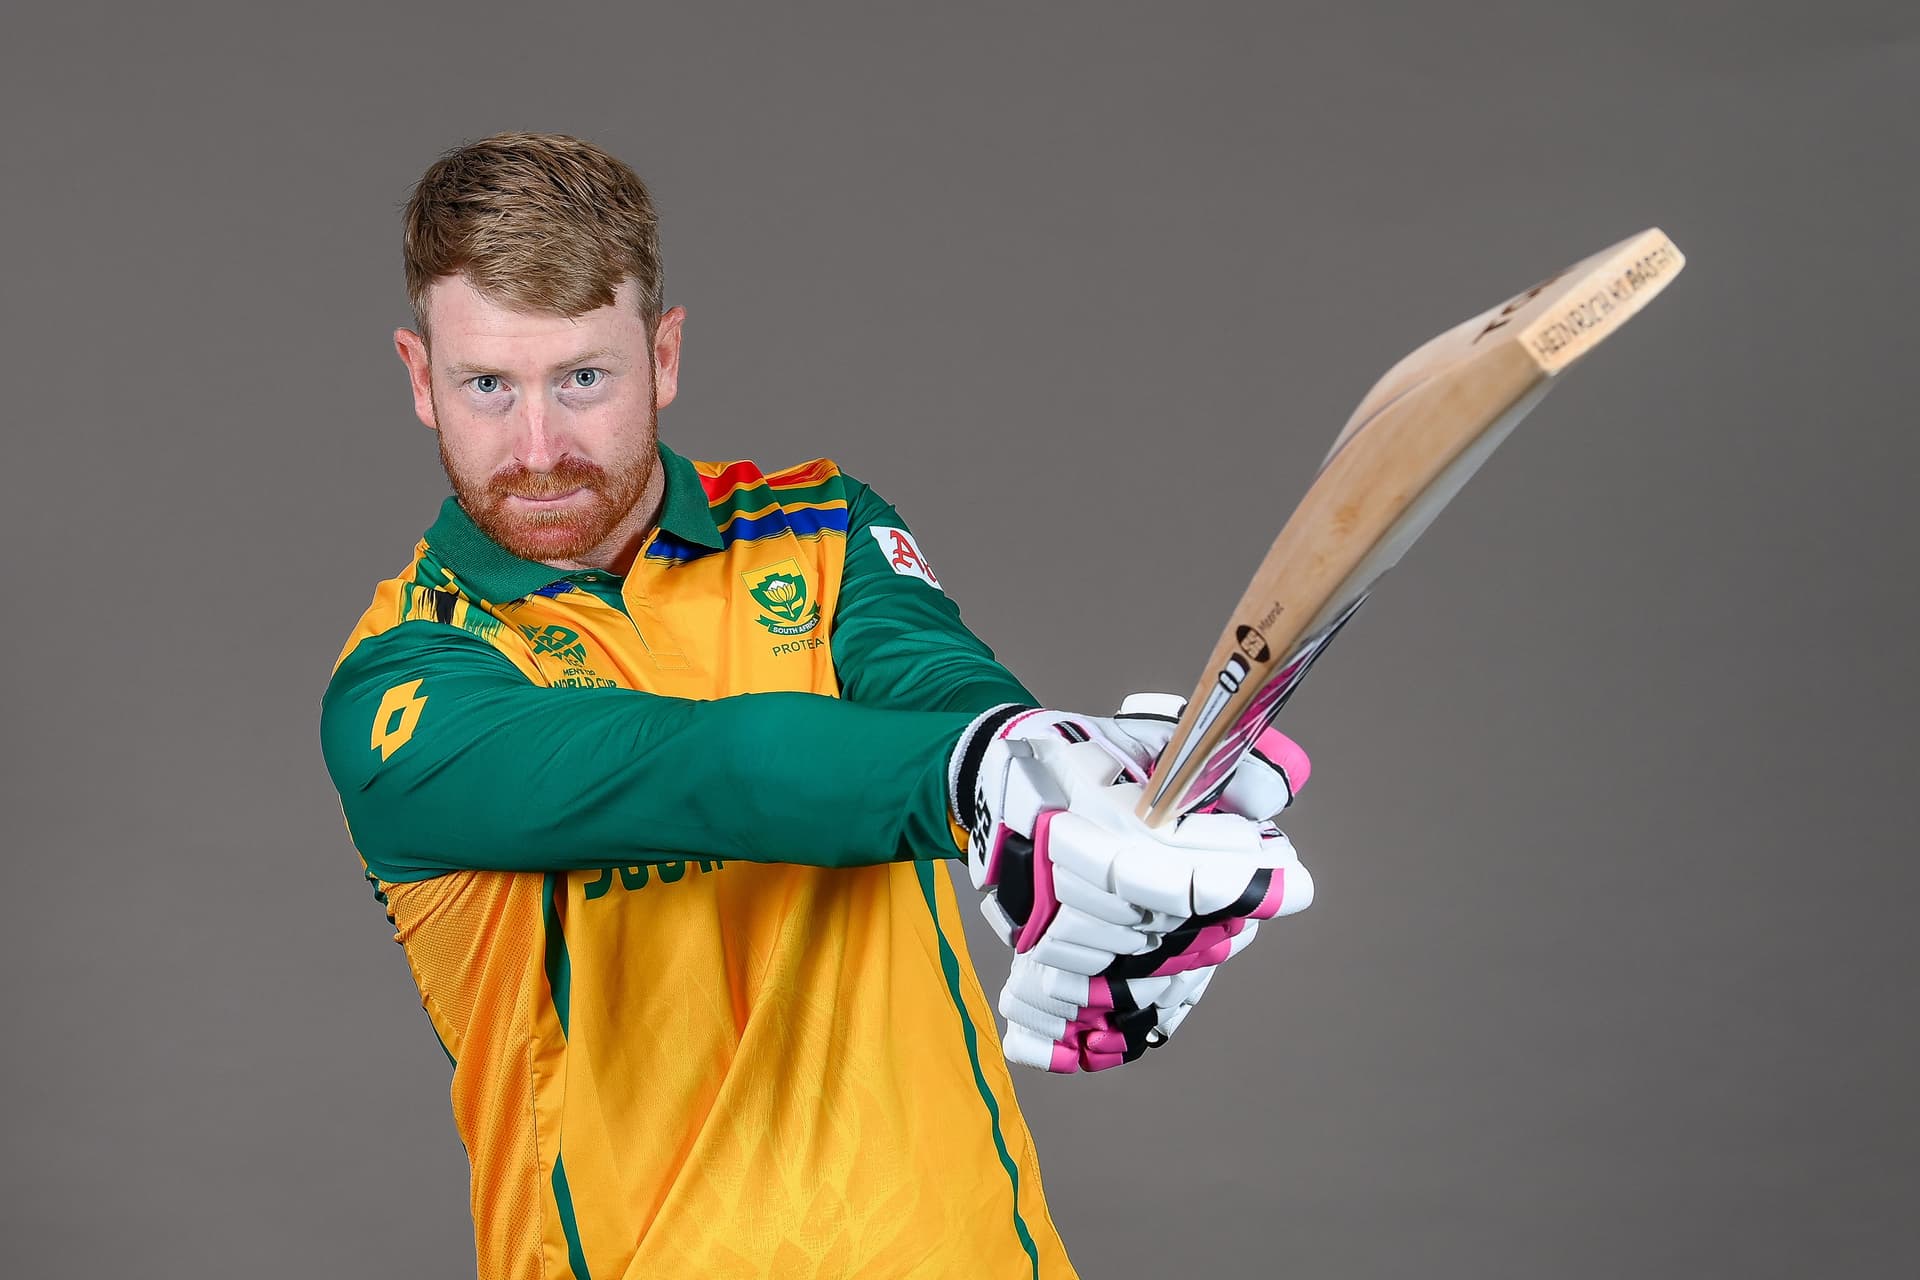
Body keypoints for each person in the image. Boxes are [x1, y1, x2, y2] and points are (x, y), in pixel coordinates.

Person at [320, 132, 1316, 1279]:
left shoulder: (823, 526)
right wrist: (972, 776)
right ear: (419, 376)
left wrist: (1057, 773)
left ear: (664, 355)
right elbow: (699, 767)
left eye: (583, 378)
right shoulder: (401, 680)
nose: (538, 447)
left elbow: (940, 682)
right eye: (487, 384)